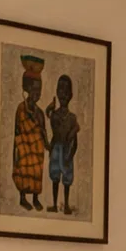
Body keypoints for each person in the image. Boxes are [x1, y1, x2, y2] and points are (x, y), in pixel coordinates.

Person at [11, 55, 48, 210]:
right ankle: (22, 198)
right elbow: (17, 130)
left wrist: (47, 144)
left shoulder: (39, 112)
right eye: (34, 89)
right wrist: (17, 149)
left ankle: (35, 198)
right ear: (26, 89)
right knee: (23, 171)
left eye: (39, 90)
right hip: (24, 148)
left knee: (36, 173)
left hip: (37, 150)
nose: (37, 93)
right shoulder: (21, 108)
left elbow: (44, 130)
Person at [46, 74, 80, 214]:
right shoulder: (54, 115)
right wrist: (50, 149)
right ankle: (54, 205)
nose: (63, 94)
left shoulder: (72, 118)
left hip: (66, 152)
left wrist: (70, 155)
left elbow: (75, 142)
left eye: (66, 92)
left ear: (71, 95)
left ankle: (66, 205)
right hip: (56, 150)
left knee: (66, 180)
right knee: (55, 178)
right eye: (60, 91)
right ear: (56, 92)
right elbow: (53, 131)